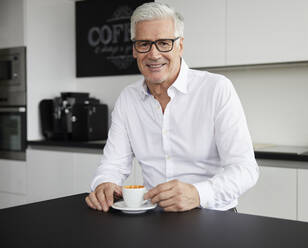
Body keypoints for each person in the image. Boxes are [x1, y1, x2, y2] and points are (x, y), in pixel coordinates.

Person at [85, 2, 259, 212]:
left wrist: (197, 194)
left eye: (164, 43)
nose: (154, 54)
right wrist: (105, 183)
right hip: (154, 218)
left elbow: (245, 169)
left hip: (214, 217)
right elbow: (112, 165)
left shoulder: (216, 88)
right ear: (134, 50)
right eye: (144, 44)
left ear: (180, 46)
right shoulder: (128, 99)